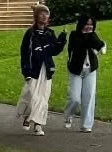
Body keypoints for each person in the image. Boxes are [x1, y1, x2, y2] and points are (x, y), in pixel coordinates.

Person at [17, 4, 66, 136]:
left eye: (47, 14)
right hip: (34, 69)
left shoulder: (50, 33)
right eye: (41, 13)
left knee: (43, 98)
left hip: (47, 69)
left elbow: (54, 51)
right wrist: (26, 71)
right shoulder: (30, 34)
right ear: (36, 16)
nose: (44, 16)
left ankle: (38, 125)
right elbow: (25, 53)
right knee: (32, 96)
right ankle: (28, 116)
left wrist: (61, 41)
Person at [63, 14, 106, 133]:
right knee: (75, 98)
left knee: (89, 97)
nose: (89, 27)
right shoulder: (74, 35)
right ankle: (68, 115)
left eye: (91, 24)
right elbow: (79, 45)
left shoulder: (93, 35)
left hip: (90, 70)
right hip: (76, 70)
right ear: (81, 24)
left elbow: (100, 45)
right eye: (87, 24)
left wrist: (100, 46)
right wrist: (92, 41)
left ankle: (86, 125)